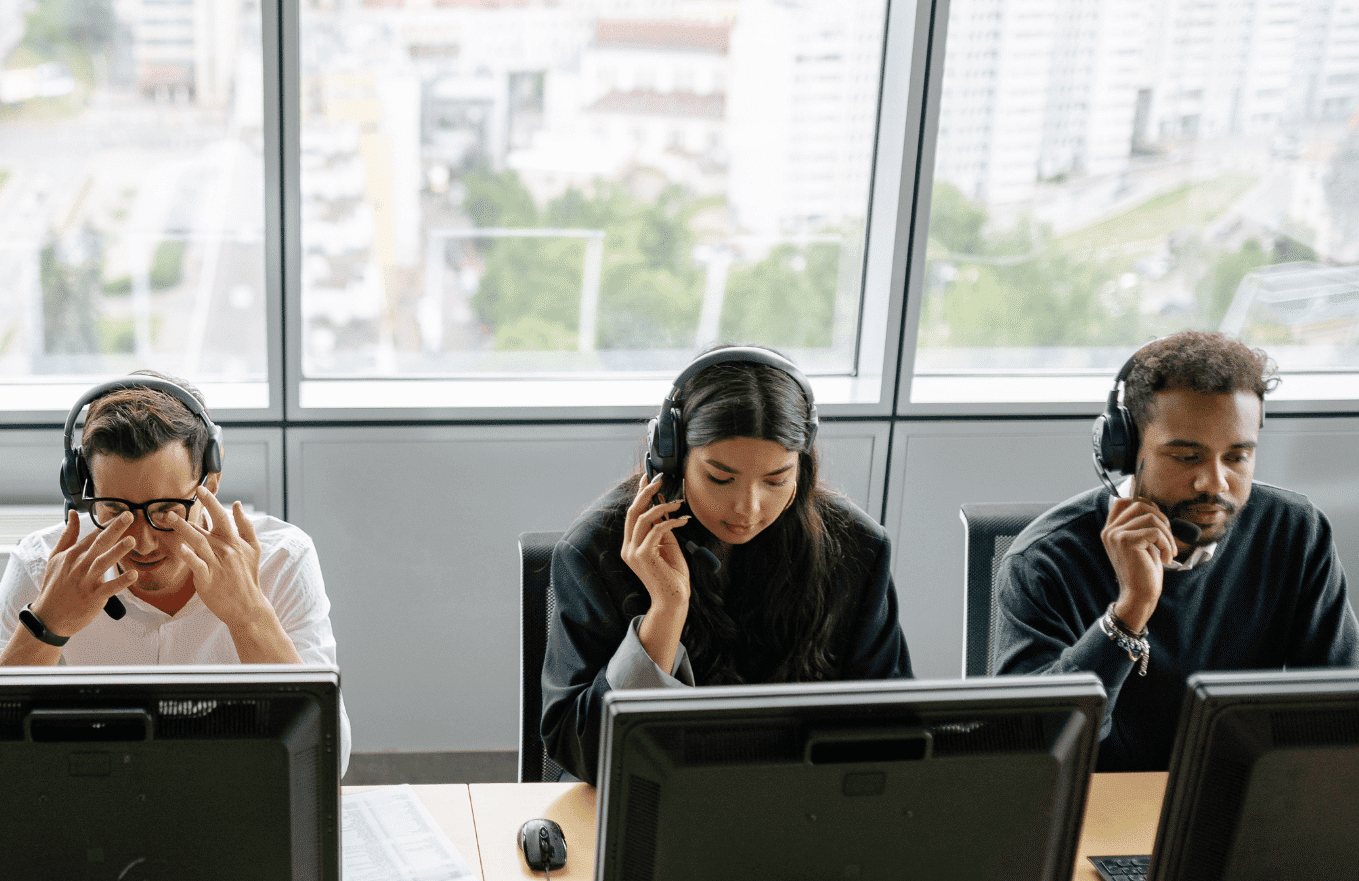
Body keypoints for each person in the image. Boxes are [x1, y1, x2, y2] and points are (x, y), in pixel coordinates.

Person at [541, 347, 913, 783]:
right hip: (649, 796)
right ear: (672, 458)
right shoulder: (595, 550)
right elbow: (584, 754)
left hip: (796, 803)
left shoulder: (857, 548)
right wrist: (665, 612)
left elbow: (893, 728)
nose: (748, 508)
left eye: (776, 480)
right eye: (720, 477)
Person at [995, 331, 1358, 770]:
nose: (1216, 483)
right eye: (1187, 457)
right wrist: (1129, 612)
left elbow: (1339, 708)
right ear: (1127, 453)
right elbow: (1029, 748)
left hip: (1242, 807)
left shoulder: (1294, 532)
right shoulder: (1043, 561)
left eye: (1237, 457)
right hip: (1099, 816)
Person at [0, 372, 349, 772]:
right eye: (117, 511)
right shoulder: (40, 568)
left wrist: (250, 616)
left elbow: (329, 760)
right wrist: (45, 627)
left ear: (211, 480)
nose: (142, 542)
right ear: (82, 490)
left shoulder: (282, 562)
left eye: (166, 510)